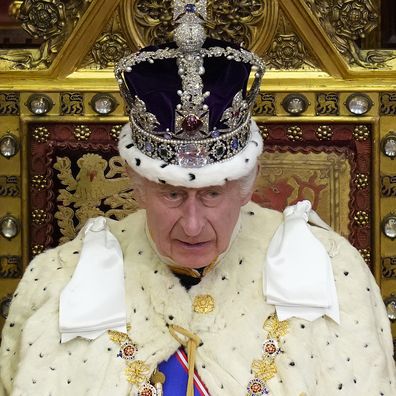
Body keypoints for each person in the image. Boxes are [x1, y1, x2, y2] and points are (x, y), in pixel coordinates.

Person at [1, 1, 395, 395]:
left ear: (247, 183)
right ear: (136, 183)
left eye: (211, 194)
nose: (192, 225)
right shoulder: (58, 280)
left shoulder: (331, 270)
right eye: (172, 194)